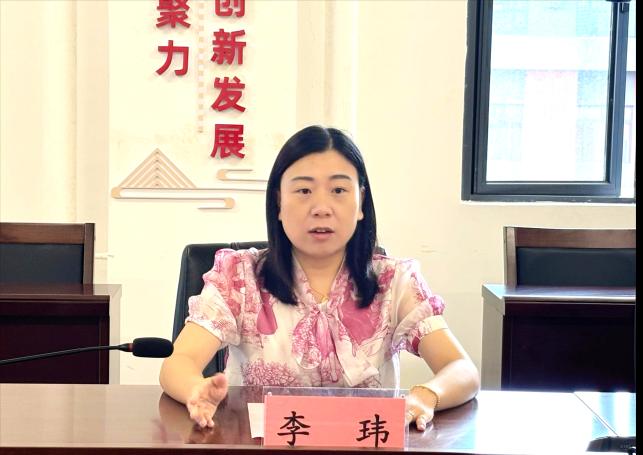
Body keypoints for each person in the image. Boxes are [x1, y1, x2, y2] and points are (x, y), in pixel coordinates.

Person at [160, 125, 480, 432]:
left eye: (339, 190)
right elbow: (180, 361)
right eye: (304, 191)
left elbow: (461, 369)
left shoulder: (394, 282)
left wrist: (426, 395)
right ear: (278, 202)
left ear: (361, 202)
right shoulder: (239, 277)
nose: (321, 208)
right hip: (261, 450)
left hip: (364, 450)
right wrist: (195, 389)